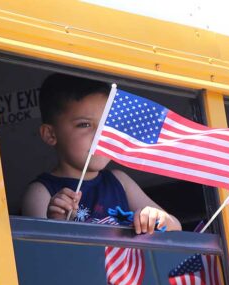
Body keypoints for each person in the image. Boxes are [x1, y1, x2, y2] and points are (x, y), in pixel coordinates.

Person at [22, 73, 181, 234]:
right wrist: (58, 223)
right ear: (51, 134)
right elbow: (42, 253)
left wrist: (158, 218)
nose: (100, 135)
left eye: (107, 125)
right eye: (84, 125)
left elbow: (175, 227)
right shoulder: (41, 191)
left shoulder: (120, 181)